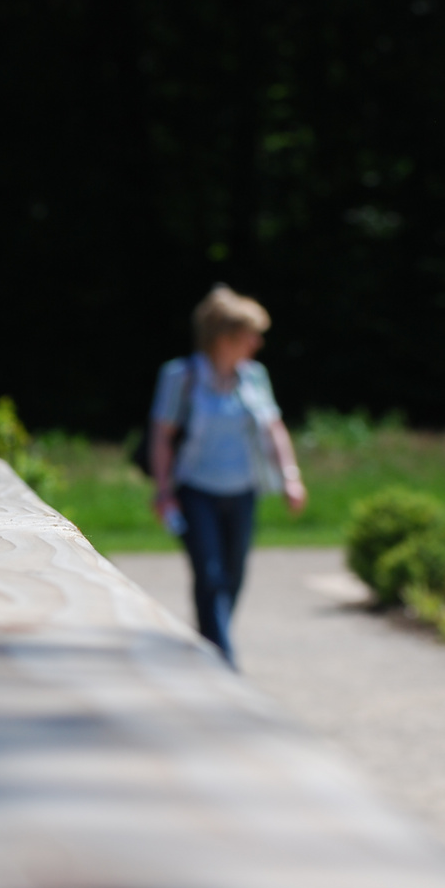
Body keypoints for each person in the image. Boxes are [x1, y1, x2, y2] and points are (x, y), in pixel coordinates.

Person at [148, 285, 306, 667]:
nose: (257, 343)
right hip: (196, 490)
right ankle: (223, 661)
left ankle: (206, 646)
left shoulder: (254, 377)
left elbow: (274, 428)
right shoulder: (180, 376)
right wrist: (163, 490)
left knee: (233, 575)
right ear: (226, 337)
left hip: (243, 490)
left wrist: (291, 476)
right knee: (210, 573)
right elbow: (162, 436)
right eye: (251, 334)